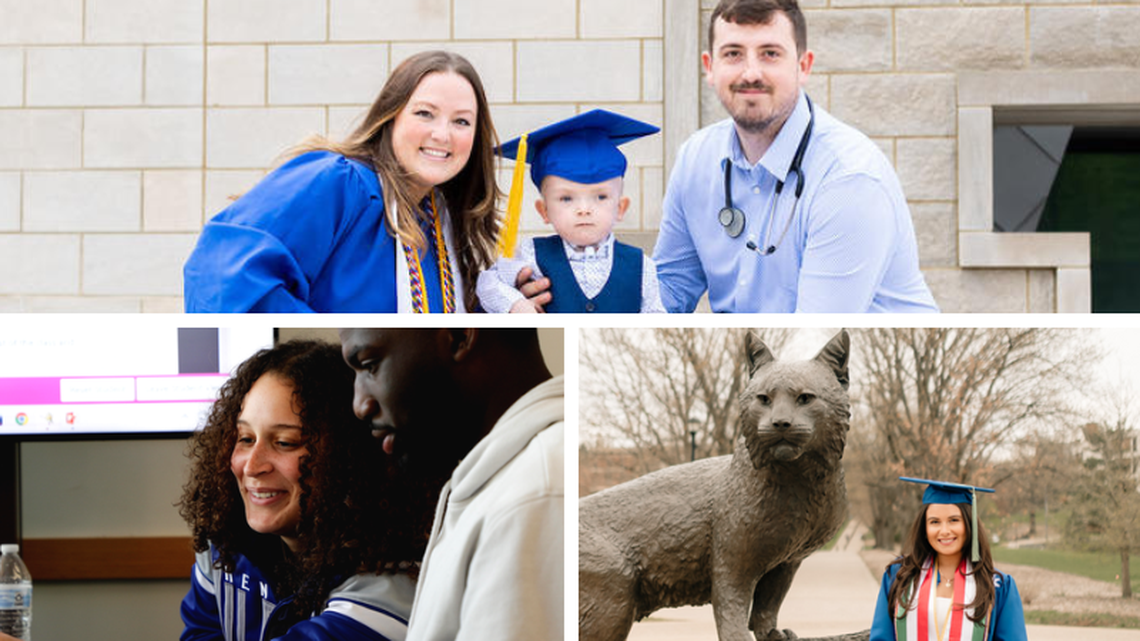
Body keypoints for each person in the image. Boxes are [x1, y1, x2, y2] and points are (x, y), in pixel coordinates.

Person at [653, 0, 940, 313]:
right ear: (710, 67)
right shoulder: (695, 159)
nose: (750, 73)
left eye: (770, 54)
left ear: (803, 66)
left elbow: (813, 335)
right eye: (733, 53)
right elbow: (669, 292)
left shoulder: (849, 178)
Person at [183, 50, 500, 313]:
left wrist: (504, 302)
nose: (442, 134)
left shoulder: (442, 222)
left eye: (461, 121)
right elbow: (222, 276)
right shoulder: (339, 183)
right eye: (424, 113)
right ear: (391, 116)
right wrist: (326, 350)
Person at [179, 340, 434, 640]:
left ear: (349, 457)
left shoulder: (392, 582)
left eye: (285, 443)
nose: (252, 466)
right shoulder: (224, 545)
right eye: (245, 438)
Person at [338, 329, 563, 640]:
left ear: (459, 336)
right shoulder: (498, 483)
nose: (360, 405)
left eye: (369, 364)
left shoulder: (533, 495)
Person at [476, 109, 666, 313]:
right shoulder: (531, 254)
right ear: (544, 211)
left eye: (601, 197)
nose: (584, 209)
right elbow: (488, 282)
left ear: (620, 208)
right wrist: (515, 304)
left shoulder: (642, 267)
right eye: (566, 198)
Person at [870, 477, 1028, 641]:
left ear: (969, 523)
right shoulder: (899, 576)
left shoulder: (997, 586)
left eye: (954, 520)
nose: (944, 531)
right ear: (925, 528)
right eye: (934, 522)